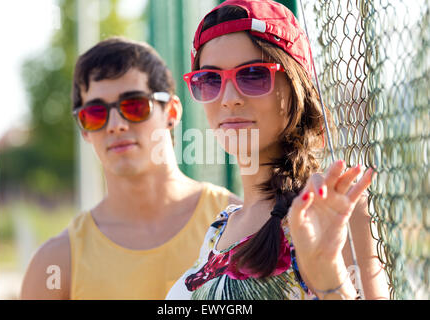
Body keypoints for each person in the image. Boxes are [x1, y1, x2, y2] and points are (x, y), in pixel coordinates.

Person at [166, 0, 389, 300]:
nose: (229, 98)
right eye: (209, 80)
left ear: (295, 86)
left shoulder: (335, 210)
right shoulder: (220, 227)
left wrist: (328, 276)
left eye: (253, 75)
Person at [20, 37, 241, 300]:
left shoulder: (240, 227)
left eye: (134, 106)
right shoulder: (56, 264)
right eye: (95, 113)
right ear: (83, 129)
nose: (116, 124)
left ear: (171, 112)